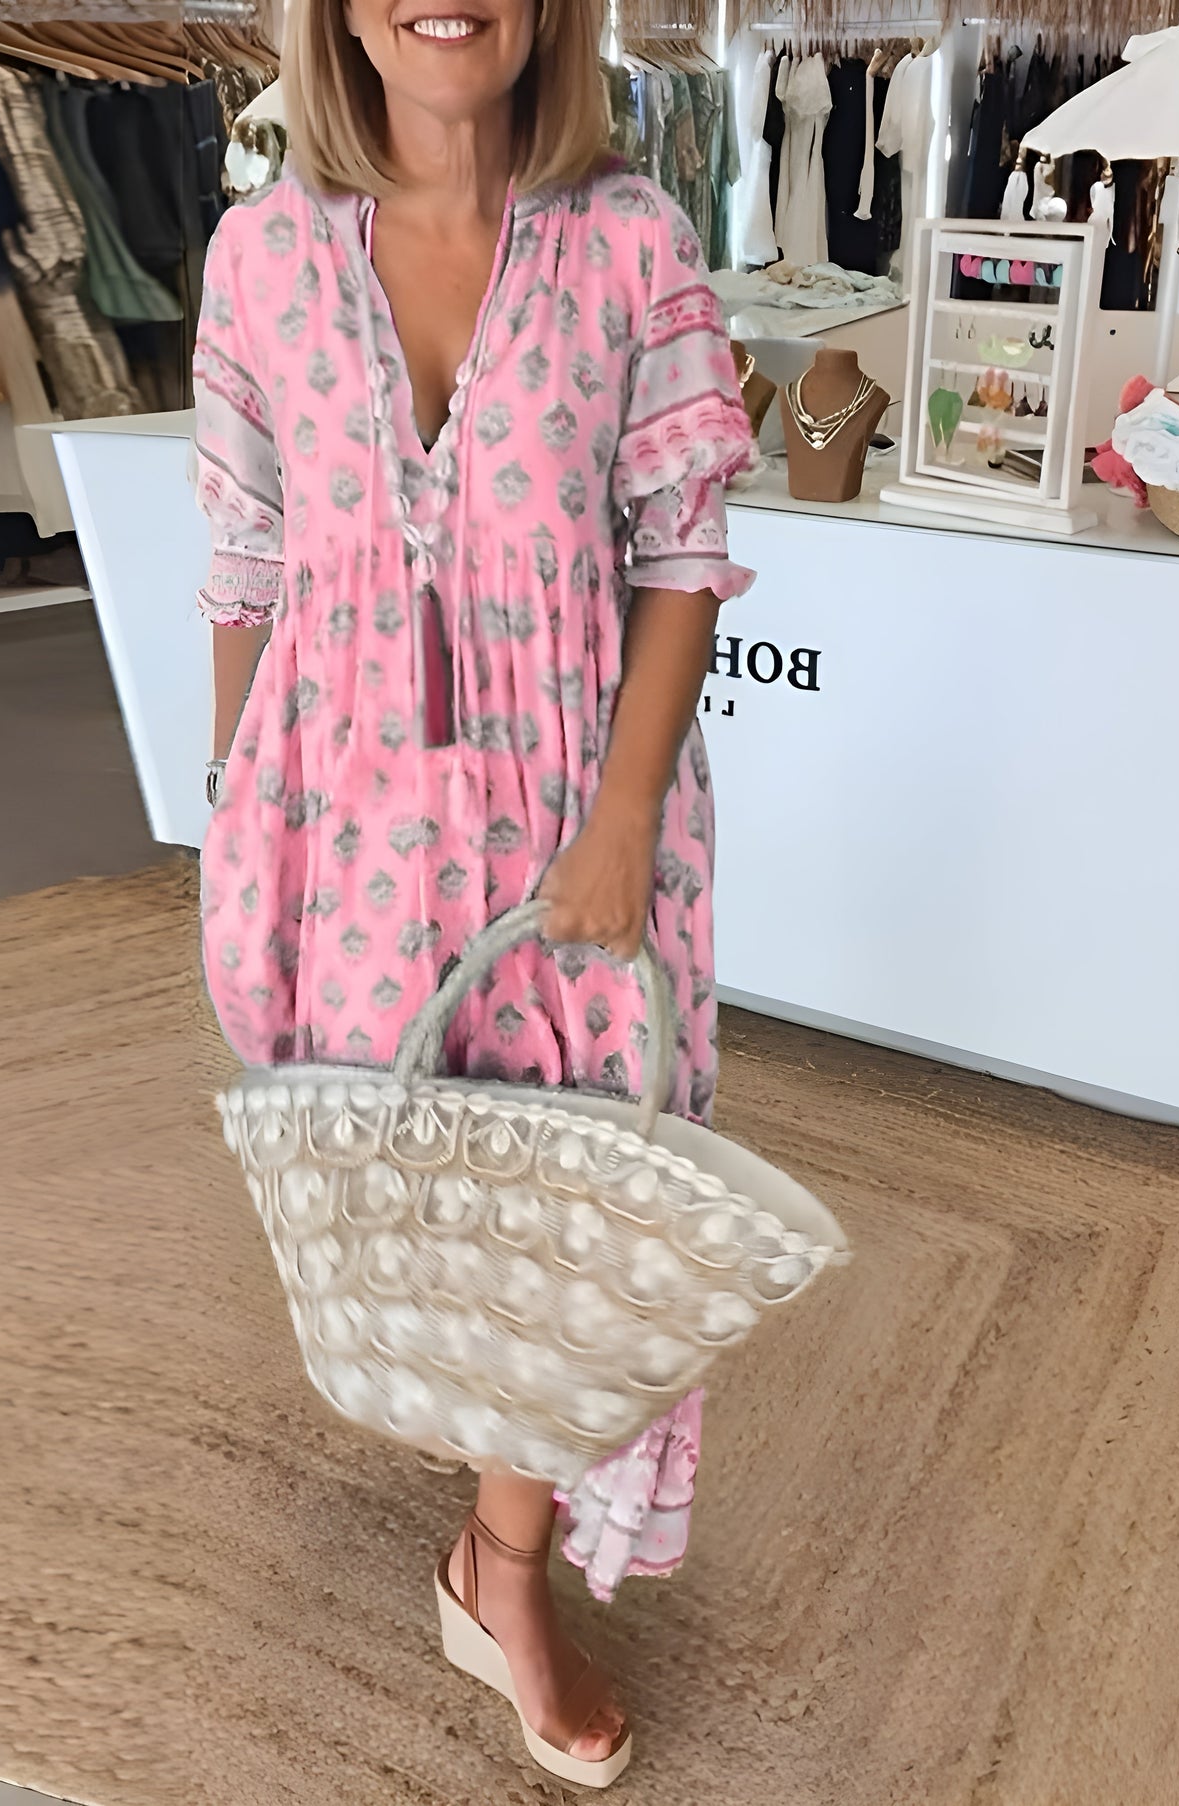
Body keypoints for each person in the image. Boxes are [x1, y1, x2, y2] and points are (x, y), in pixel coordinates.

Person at [193, 0, 756, 1784]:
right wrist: (237, 817)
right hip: (342, 815)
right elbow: (245, 569)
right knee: (413, 1195)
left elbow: (680, 557)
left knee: (578, 1219)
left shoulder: (631, 240)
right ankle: (480, 1474)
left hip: (578, 816)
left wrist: (621, 819)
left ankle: (499, 1568)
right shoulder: (259, 257)